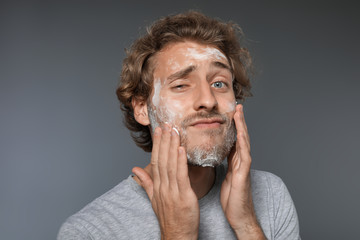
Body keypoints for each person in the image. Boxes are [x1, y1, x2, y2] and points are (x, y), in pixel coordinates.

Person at [58, 11, 300, 240]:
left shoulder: (270, 194)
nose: (208, 100)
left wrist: (246, 224)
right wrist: (178, 235)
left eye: (219, 84)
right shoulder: (89, 231)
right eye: (181, 85)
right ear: (142, 108)